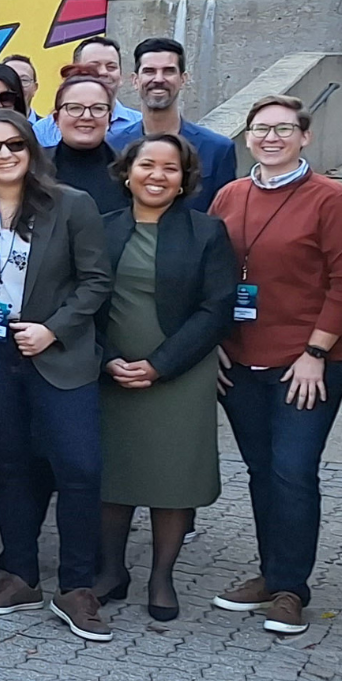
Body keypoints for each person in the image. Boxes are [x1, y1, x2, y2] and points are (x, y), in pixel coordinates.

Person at [0, 112, 116, 642]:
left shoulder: (71, 205)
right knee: (11, 463)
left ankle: (77, 587)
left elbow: (95, 280)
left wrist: (52, 329)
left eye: (14, 144)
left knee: (79, 466)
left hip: (55, 350)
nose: (4, 155)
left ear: (31, 148)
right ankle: (19, 573)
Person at [208, 94, 342, 636]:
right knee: (260, 471)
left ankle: (291, 590)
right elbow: (211, 274)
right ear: (248, 137)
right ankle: (270, 572)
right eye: (260, 128)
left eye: (283, 128)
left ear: (305, 136)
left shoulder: (332, 199)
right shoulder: (231, 195)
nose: (270, 137)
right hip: (240, 360)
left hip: (309, 364)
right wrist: (213, 343)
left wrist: (316, 353)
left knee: (293, 470)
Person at [94, 134, 238, 622]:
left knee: (173, 476)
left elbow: (216, 309)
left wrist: (161, 364)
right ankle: (111, 570)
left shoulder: (208, 233)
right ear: (127, 173)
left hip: (180, 373)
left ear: (184, 180)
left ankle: (162, 576)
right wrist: (107, 359)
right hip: (112, 371)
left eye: (170, 169)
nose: (157, 175)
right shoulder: (100, 228)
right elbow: (82, 301)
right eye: (147, 165)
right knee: (114, 473)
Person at [107, 37, 237, 212]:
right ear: (135, 80)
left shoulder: (217, 150)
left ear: (183, 79)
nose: (159, 79)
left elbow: (223, 218)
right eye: (149, 71)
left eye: (168, 71)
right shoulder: (111, 146)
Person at [45, 69, 129, 213]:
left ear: (109, 118)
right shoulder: (34, 169)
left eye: (97, 108)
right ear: (56, 118)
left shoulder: (128, 170)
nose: (86, 116)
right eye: (75, 108)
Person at [39, 36, 144, 144]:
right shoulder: (43, 131)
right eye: (94, 67)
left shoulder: (141, 124)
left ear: (121, 76)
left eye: (111, 67)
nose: (104, 72)